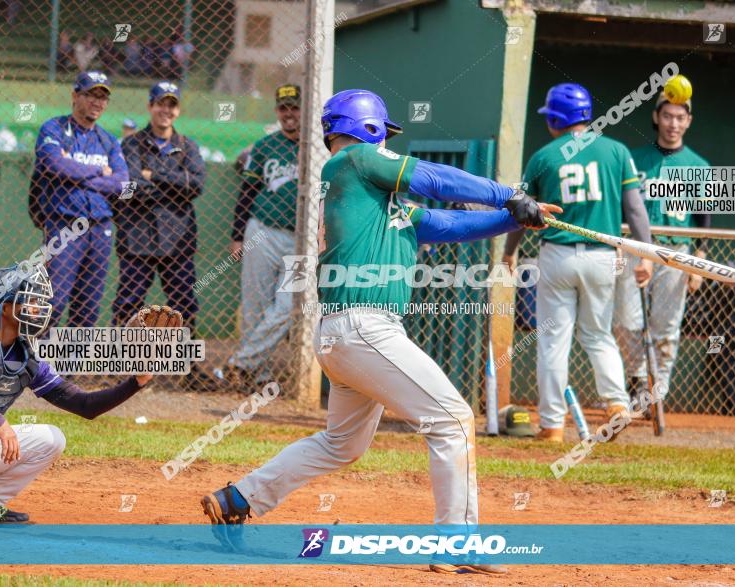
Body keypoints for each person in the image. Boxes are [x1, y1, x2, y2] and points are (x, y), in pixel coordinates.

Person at [201, 88, 561, 575]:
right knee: (453, 420)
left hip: (347, 334)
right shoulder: (353, 161)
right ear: (368, 129)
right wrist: (508, 194)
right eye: (385, 136)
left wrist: (517, 217)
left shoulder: (375, 203)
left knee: (340, 444)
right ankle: (457, 543)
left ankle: (238, 498)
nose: (388, 147)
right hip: (362, 325)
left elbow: (447, 224)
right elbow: (436, 178)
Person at [502, 83, 653, 443]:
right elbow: (635, 210)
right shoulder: (616, 151)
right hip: (603, 256)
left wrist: (510, 252)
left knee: (554, 340)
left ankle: (552, 426)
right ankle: (617, 405)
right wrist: (645, 254)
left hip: (557, 255)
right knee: (598, 335)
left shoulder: (544, 157)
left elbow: (522, 213)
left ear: (556, 118)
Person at [0, 263, 177, 524]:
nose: (39, 308)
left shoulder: (25, 357)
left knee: (51, 439)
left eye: (40, 301)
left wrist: (136, 382)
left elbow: (84, 405)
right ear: (5, 308)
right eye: (30, 301)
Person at [113, 82, 216, 391]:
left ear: (178, 110)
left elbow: (195, 186)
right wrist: (172, 188)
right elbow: (128, 188)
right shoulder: (131, 145)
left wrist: (154, 176)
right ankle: (120, 366)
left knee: (184, 305)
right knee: (128, 304)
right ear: (150, 106)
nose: (166, 110)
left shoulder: (188, 145)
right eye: (160, 103)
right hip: (137, 239)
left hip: (178, 241)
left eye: (171, 105)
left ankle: (189, 369)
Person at [613, 90, 711, 408]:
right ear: (656, 117)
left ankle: (656, 394)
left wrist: (700, 257)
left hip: (676, 250)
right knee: (626, 321)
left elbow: (704, 217)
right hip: (636, 248)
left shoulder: (698, 165)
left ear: (689, 122)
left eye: (680, 117)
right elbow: (619, 206)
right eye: (667, 115)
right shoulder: (633, 158)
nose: (673, 123)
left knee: (666, 327)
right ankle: (639, 380)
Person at [33, 71, 128, 328]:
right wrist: (99, 172)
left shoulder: (108, 140)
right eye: (91, 95)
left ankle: (70, 368)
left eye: (103, 97)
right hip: (64, 225)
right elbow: (53, 164)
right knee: (54, 301)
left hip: (101, 229)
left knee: (88, 308)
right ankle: (33, 364)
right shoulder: (54, 128)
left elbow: (122, 183)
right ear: (75, 96)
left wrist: (75, 171)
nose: (97, 102)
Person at [223, 84, 300, 386]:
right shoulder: (266, 146)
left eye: (294, 107)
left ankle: (240, 363)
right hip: (262, 231)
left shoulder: (318, 146)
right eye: (283, 107)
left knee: (289, 306)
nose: (289, 113)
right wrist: (238, 234)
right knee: (254, 304)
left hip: (302, 239)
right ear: (277, 112)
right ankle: (258, 375)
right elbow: (247, 191)